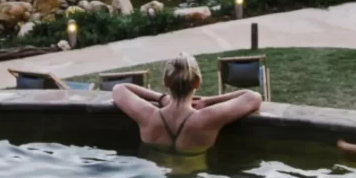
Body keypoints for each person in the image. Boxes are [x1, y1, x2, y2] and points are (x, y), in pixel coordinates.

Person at [112, 53, 261, 155]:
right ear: (197, 82)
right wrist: (208, 101)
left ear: (165, 81)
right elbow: (252, 97)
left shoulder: (148, 116)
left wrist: (161, 98)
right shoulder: (207, 118)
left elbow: (119, 89)